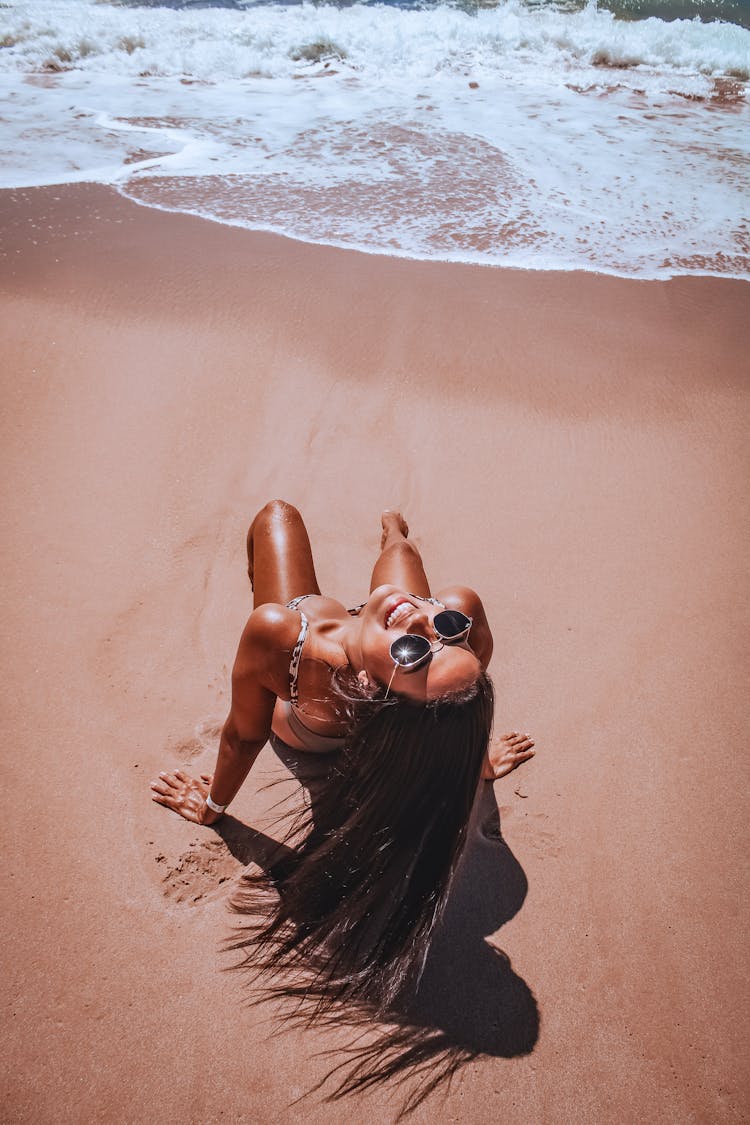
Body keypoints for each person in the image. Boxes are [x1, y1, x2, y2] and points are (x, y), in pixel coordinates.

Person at [151, 500, 535, 1011]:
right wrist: (478, 764)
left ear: (364, 688)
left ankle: (345, 573)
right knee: (401, 557)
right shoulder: (454, 614)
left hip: (311, 728)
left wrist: (212, 808)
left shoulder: (284, 641)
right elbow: (457, 707)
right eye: (443, 631)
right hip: (379, 675)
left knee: (275, 517)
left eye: (414, 654)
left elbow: (244, 737)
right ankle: (392, 530)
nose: (426, 626)